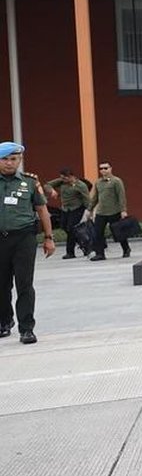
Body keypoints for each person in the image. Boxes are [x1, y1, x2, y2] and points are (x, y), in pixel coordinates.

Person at [0, 142, 56, 344]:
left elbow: (42, 210)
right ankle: (4, 322)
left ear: (19, 160)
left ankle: (27, 329)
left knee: (24, 284)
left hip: (23, 238)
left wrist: (48, 238)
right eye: (5, 159)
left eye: (13, 159)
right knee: (2, 285)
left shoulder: (30, 182)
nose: (9, 163)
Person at [87, 160, 129, 261]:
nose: (103, 170)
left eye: (106, 168)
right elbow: (95, 197)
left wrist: (123, 210)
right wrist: (90, 209)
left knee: (118, 232)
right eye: (101, 168)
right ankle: (100, 254)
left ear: (110, 169)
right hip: (101, 212)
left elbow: (121, 196)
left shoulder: (116, 181)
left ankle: (126, 249)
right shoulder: (98, 182)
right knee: (98, 233)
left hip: (114, 211)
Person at [46, 168, 90, 258]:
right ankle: (85, 245)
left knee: (71, 229)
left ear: (71, 176)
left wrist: (89, 210)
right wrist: (52, 190)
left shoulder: (81, 185)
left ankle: (70, 252)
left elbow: (87, 199)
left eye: (65, 178)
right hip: (65, 209)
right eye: (62, 178)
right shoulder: (61, 182)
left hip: (77, 208)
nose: (63, 180)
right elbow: (47, 185)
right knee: (64, 226)